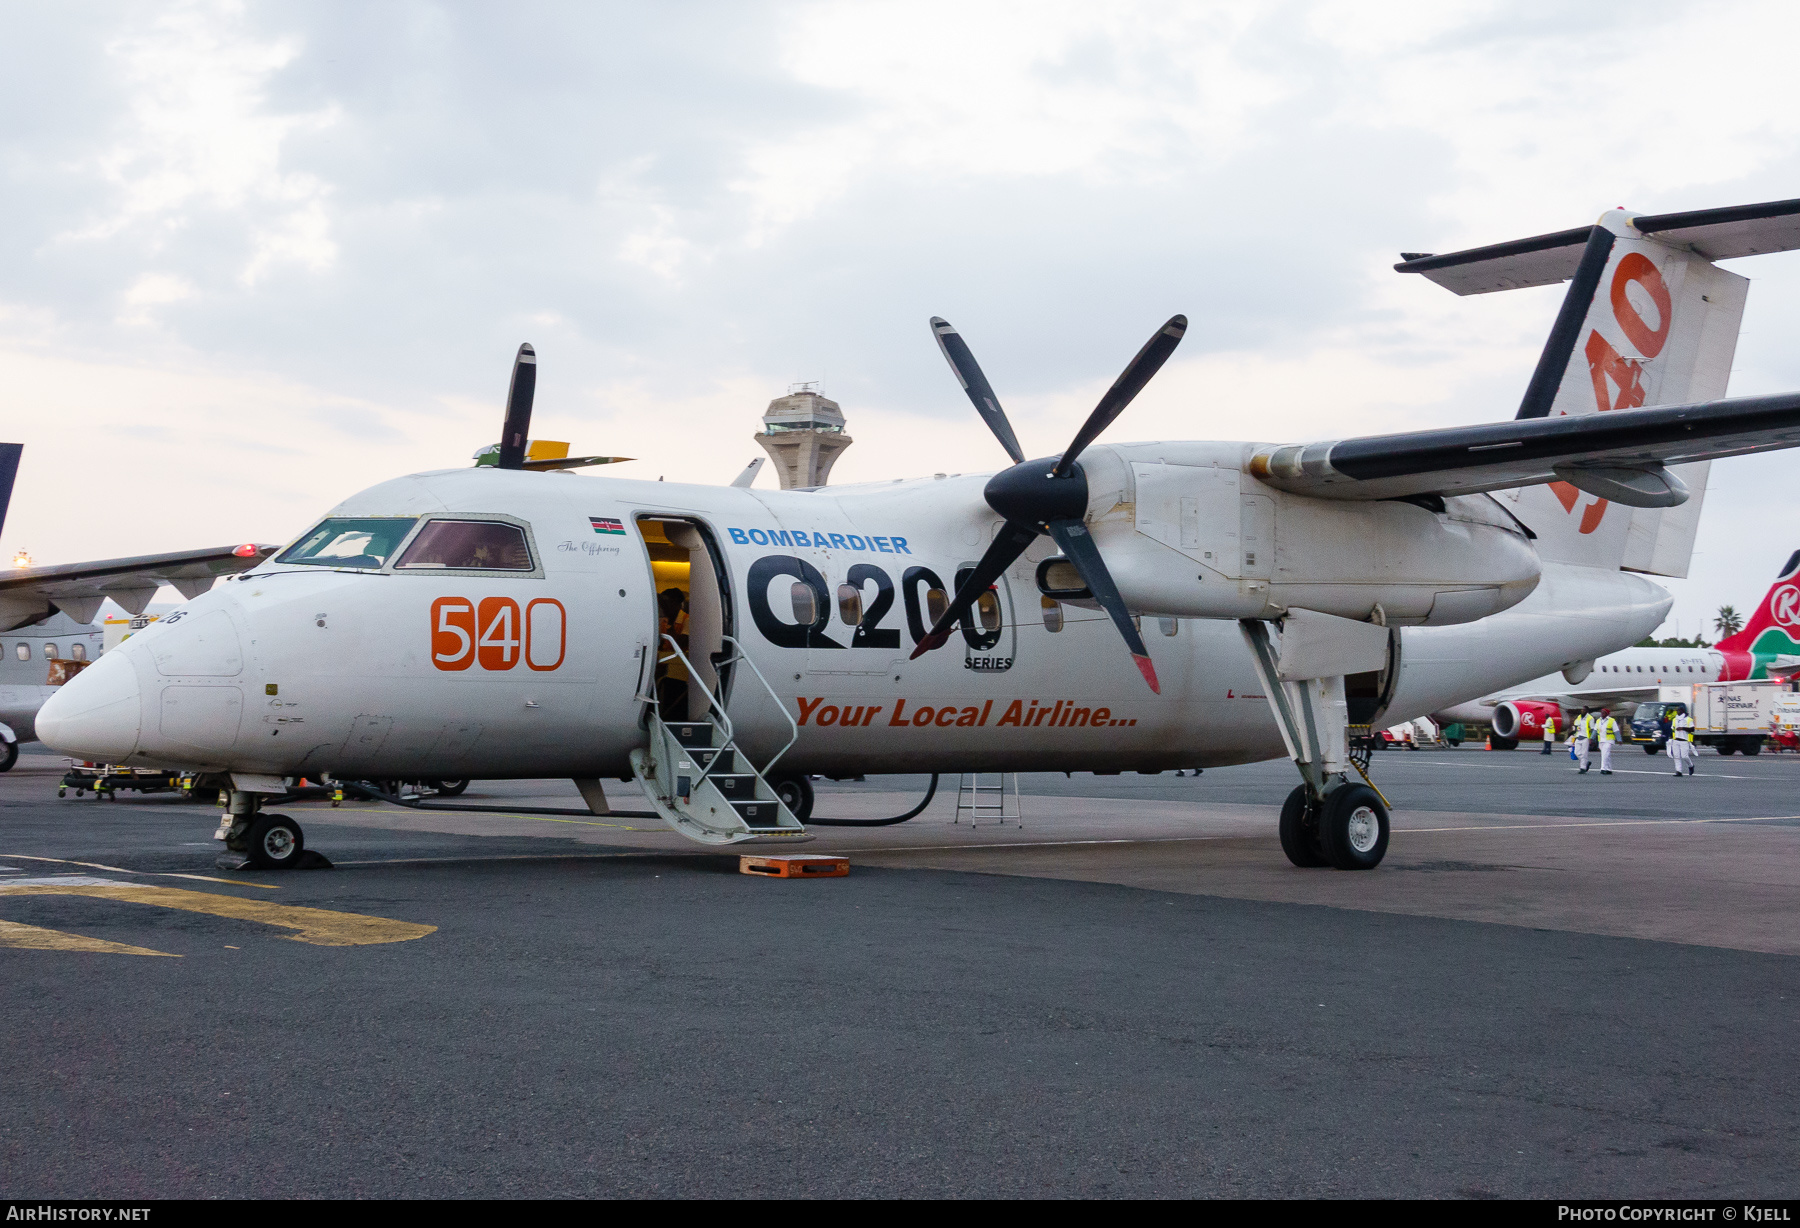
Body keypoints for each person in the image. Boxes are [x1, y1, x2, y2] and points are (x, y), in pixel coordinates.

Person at [1670, 709, 1697, 776]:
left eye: (1679, 710)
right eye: (1677, 710)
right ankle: (1678, 771)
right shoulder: (1675, 719)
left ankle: (1691, 765)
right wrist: (1670, 738)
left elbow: (1692, 729)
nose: (1677, 711)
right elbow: (1672, 729)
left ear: (1683, 711)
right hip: (1676, 740)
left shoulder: (1688, 719)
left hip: (1684, 740)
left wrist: (1682, 728)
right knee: (1676, 756)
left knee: (1684, 756)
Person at [1597, 707, 1620, 775]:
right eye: (1601, 712)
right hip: (1601, 740)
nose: (1602, 714)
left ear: (1607, 714)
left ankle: (1603, 768)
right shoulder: (1599, 720)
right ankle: (1609, 769)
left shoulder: (1612, 721)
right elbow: (1595, 730)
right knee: (1607, 754)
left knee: (1604, 754)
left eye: (1603, 712)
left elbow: (1616, 730)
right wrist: (1591, 738)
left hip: (1609, 740)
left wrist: (1619, 739)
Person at [1573, 709, 1593, 773]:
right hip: (1578, 736)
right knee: (1576, 752)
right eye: (1581, 710)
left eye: (1584, 710)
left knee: (1584, 753)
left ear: (1587, 711)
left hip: (1585, 737)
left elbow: (1592, 729)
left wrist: (1591, 738)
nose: (1582, 711)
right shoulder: (1579, 717)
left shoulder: (1590, 718)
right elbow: (1576, 725)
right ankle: (1586, 762)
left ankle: (1583, 768)